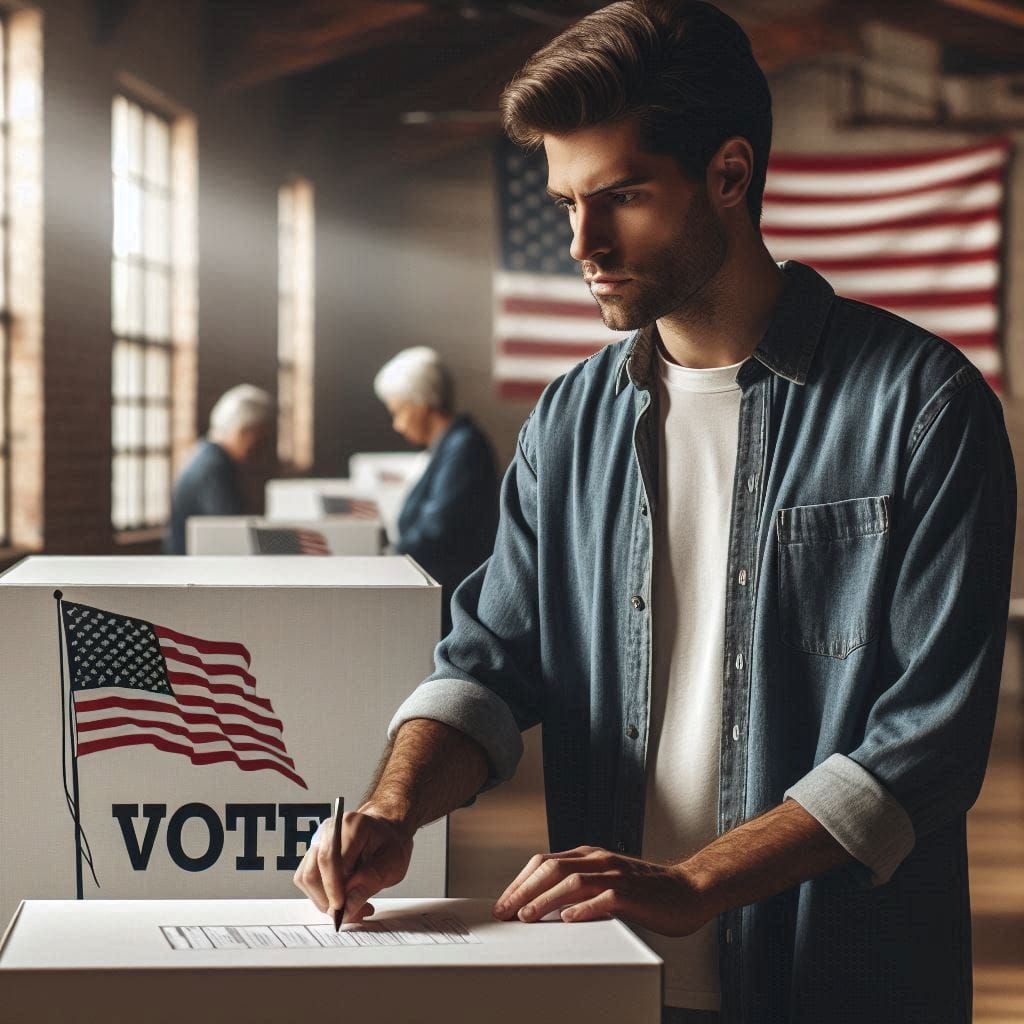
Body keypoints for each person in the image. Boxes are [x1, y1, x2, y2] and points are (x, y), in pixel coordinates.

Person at [295, 4, 1016, 1022]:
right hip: (606, 970)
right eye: (565, 200)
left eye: (620, 196)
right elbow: (488, 662)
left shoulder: (924, 407)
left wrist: (694, 882)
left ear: (729, 174)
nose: (581, 242)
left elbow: (926, 745)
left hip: (843, 979)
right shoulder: (568, 418)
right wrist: (390, 805)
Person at [373, 346, 499, 635]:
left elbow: (436, 530)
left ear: (420, 404)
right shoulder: (447, 448)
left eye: (398, 412)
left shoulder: (464, 447)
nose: (396, 424)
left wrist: (387, 556)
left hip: (450, 608)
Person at [164, 384, 273, 554]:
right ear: (244, 431)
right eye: (260, 438)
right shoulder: (214, 468)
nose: (262, 447)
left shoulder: (205, 453)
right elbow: (233, 531)